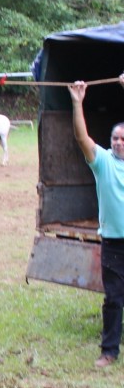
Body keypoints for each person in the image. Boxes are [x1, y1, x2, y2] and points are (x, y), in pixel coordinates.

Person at [69, 73, 124, 368]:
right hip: (114, 244)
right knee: (113, 299)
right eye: (115, 138)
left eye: (123, 139)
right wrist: (78, 103)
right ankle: (109, 352)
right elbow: (81, 138)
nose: (118, 142)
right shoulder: (102, 163)